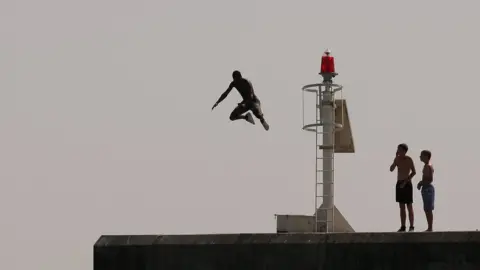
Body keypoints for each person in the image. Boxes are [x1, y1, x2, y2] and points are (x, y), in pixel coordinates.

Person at [389, 143, 417, 232]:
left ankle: (411, 226)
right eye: (398, 149)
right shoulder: (397, 159)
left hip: (407, 183)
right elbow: (391, 169)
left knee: (409, 205)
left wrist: (405, 181)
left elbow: (414, 172)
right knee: (401, 207)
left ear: (404, 151)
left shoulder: (409, 159)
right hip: (399, 183)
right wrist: (395, 159)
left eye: (400, 150)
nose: (398, 151)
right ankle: (403, 226)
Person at [417, 150, 435, 232]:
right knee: (426, 209)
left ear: (426, 156)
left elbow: (430, 179)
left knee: (428, 209)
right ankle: (429, 227)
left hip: (428, 188)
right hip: (425, 188)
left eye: (421, 155)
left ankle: (430, 227)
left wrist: (421, 183)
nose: (420, 157)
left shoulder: (428, 166)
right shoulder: (426, 166)